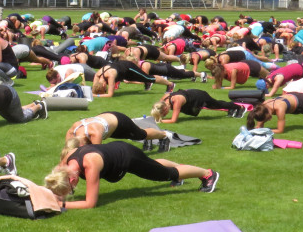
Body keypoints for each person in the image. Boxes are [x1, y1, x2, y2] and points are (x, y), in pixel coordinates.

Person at [43, 140, 220, 209]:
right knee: (155, 167)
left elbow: (90, 203)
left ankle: (207, 174)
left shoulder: (90, 165)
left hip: (128, 158)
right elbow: (55, 180)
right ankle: (181, 172)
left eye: (71, 189)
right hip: (119, 149)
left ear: (72, 179)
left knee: (165, 174)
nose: (74, 189)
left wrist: (61, 205)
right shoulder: (66, 161)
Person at [65, 111, 171, 151]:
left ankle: (164, 135)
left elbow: (97, 154)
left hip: (120, 122)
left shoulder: (94, 133)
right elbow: (67, 150)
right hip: (106, 121)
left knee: (142, 134)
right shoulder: (72, 130)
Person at [152, 89, 247, 123]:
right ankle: (230, 109)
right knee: (215, 105)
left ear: (165, 108)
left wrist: (161, 121)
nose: (163, 116)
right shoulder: (164, 100)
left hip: (200, 96)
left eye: (163, 114)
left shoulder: (176, 101)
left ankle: (240, 107)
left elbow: (173, 120)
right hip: (191, 95)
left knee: (216, 105)